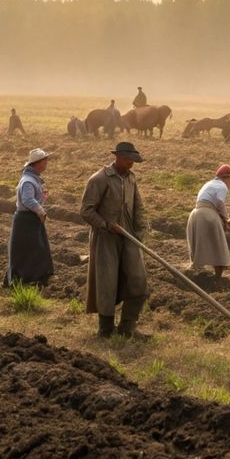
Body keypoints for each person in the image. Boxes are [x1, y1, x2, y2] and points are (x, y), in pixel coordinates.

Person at [80, 142, 149, 339]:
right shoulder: (99, 179)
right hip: (106, 238)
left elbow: (138, 207)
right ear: (117, 157)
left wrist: (140, 232)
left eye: (133, 161)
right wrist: (106, 225)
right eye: (128, 160)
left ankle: (128, 326)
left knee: (138, 280)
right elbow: (86, 211)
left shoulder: (131, 179)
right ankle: (106, 329)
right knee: (107, 282)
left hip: (129, 237)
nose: (131, 164)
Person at [4, 148, 55, 287]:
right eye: (45, 161)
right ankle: (24, 280)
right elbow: (27, 200)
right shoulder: (28, 180)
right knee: (28, 252)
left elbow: (31, 198)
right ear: (37, 163)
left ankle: (34, 279)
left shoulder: (32, 179)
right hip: (26, 221)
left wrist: (42, 197)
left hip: (30, 220)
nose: (46, 164)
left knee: (35, 250)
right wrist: (41, 211)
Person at [186, 164, 230, 278]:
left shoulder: (209, 184)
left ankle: (195, 273)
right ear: (227, 178)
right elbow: (220, 202)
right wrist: (226, 218)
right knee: (218, 245)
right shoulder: (222, 186)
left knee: (200, 245)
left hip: (195, 214)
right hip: (207, 215)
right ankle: (217, 278)